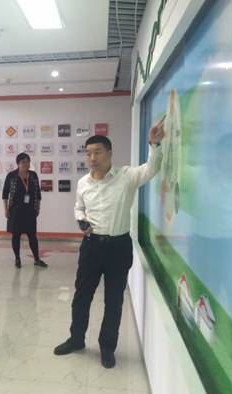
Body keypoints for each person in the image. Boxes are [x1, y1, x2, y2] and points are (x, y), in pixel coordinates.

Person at [54, 121, 165, 369]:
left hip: (118, 247)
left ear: (110, 153)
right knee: (81, 297)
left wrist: (154, 144)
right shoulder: (83, 183)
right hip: (91, 247)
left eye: (98, 152)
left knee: (113, 301)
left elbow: (152, 168)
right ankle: (76, 339)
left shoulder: (127, 177)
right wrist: (81, 220)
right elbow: (79, 208)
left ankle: (107, 348)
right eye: (88, 153)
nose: (92, 158)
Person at [2, 153, 48, 268]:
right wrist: (6, 209)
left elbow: (38, 193)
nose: (26, 164)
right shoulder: (11, 176)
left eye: (28, 162)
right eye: (23, 162)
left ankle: (36, 259)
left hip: (30, 210)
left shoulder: (33, 175)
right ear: (18, 163)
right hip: (15, 211)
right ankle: (17, 258)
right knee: (16, 236)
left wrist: (38, 207)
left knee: (32, 235)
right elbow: (5, 194)